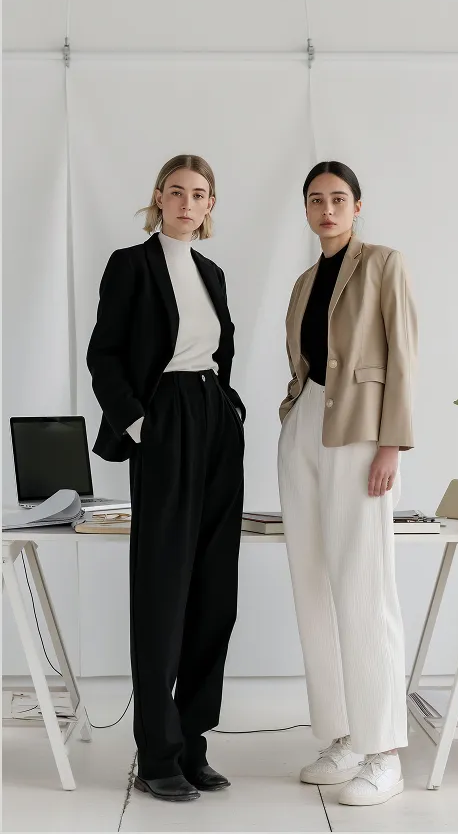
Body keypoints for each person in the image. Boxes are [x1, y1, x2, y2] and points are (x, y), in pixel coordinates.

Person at [87, 154, 245, 802]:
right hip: (165, 419)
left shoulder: (212, 273)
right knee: (162, 589)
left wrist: (228, 407)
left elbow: (220, 351)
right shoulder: (131, 265)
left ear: (211, 205)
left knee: (214, 591)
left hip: (213, 420)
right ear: (158, 197)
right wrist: (140, 424)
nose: (186, 203)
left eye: (198, 194)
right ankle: (157, 753)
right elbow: (104, 353)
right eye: (175, 191)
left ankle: (193, 743)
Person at [277, 161, 417, 807]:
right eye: (316, 200)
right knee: (312, 586)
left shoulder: (384, 264)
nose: (326, 209)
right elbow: (303, 360)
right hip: (306, 427)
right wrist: (290, 413)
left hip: (359, 433)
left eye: (338, 199)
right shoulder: (305, 281)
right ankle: (342, 737)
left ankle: (384, 750)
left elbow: (403, 356)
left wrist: (392, 443)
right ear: (306, 210)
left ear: (358, 206)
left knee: (365, 587)